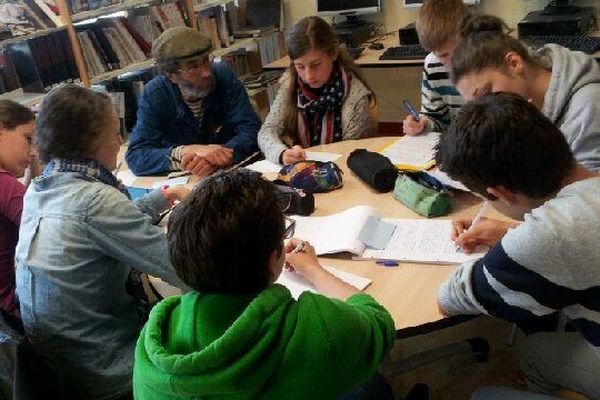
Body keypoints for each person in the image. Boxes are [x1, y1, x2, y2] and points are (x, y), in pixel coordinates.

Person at [133, 169, 396, 399]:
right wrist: (315, 270)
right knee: (372, 384)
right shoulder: (315, 326)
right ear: (274, 260)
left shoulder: (153, 337)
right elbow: (378, 323)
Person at [15, 84, 189, 399]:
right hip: (110, 370)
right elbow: (184, 266)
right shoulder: (95, 201)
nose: (121, 141)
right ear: (93, 140)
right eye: (114, 131)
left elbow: (99, 227)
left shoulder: (40, 189)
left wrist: (159, 198)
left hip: (63, 367)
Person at [435, 92, 600, 399]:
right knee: (537, 348)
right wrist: (511, 232)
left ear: (502, 193)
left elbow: (448, 299)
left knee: (514, 371)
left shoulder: (552, 235)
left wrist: (516, 244)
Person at [450, 14, 600, 171]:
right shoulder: (525, 109)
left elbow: (588, 190)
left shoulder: (588, 107)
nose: (486, 110)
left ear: (514, 63)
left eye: (487, 93)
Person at [125, 27, 260, 176]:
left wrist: (216, 157)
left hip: (229, 174)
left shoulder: (223, 76)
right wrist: (186, 151)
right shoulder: (155, 94)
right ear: (171, 76)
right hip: (188, 180)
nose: (207, 73)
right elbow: (136, 156)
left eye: (206, 61)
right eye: (193, 67)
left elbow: (251, 129)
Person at [258, 16, 377, 165]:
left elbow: (355, 157)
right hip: (302, 171)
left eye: (315, 65)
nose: (308, 76)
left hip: (342, 171)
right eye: (300, 66)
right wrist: (282, 153)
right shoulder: (290, 85)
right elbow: (267, 131)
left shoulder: (355, 99)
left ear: (332, 54)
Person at [402, 0, 468, 136]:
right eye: (443, 55)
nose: (453, 61)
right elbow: (437, 118)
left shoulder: (488, 58)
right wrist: (423, 124)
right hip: (461, 141)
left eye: (459, 49)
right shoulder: (432, 65)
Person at [0, 100, 37, 328]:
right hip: (12, 316)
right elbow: (47, 230)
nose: (32, 151)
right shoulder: (3, 184)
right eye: (27, 138)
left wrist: (34, 171)